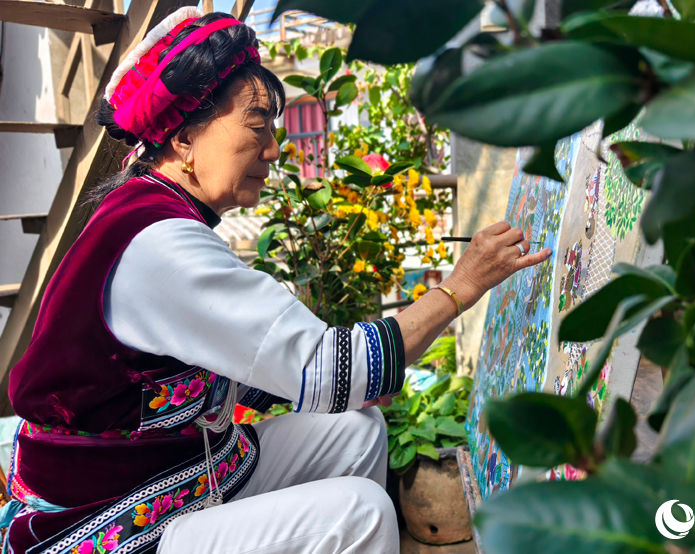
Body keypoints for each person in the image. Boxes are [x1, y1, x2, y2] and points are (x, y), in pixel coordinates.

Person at [1, 8, 551, 554]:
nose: (272, 149)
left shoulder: (151, 214)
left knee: (357, 430)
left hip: (178, 469)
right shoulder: (159, 243)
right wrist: (461, 287)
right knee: (361, 513)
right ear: (185, 138)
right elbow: (328, 365)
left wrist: (339, 378)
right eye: (257, 126)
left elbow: (221, 363)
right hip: (110, 517)